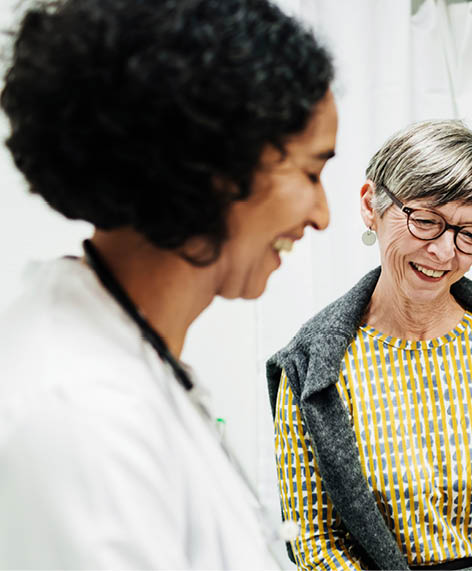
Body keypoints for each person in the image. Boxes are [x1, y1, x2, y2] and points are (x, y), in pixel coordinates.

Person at [0, 0, 337, 567]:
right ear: (217, 169)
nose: (323, 215)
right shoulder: (83, 411)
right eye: (310, 172)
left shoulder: (126, 351)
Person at [268, 120, 472, 571]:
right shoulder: (312, 367)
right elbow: (314, 540)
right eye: (426, 221)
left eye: (469, 234)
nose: (443, 253)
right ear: (371, 206)